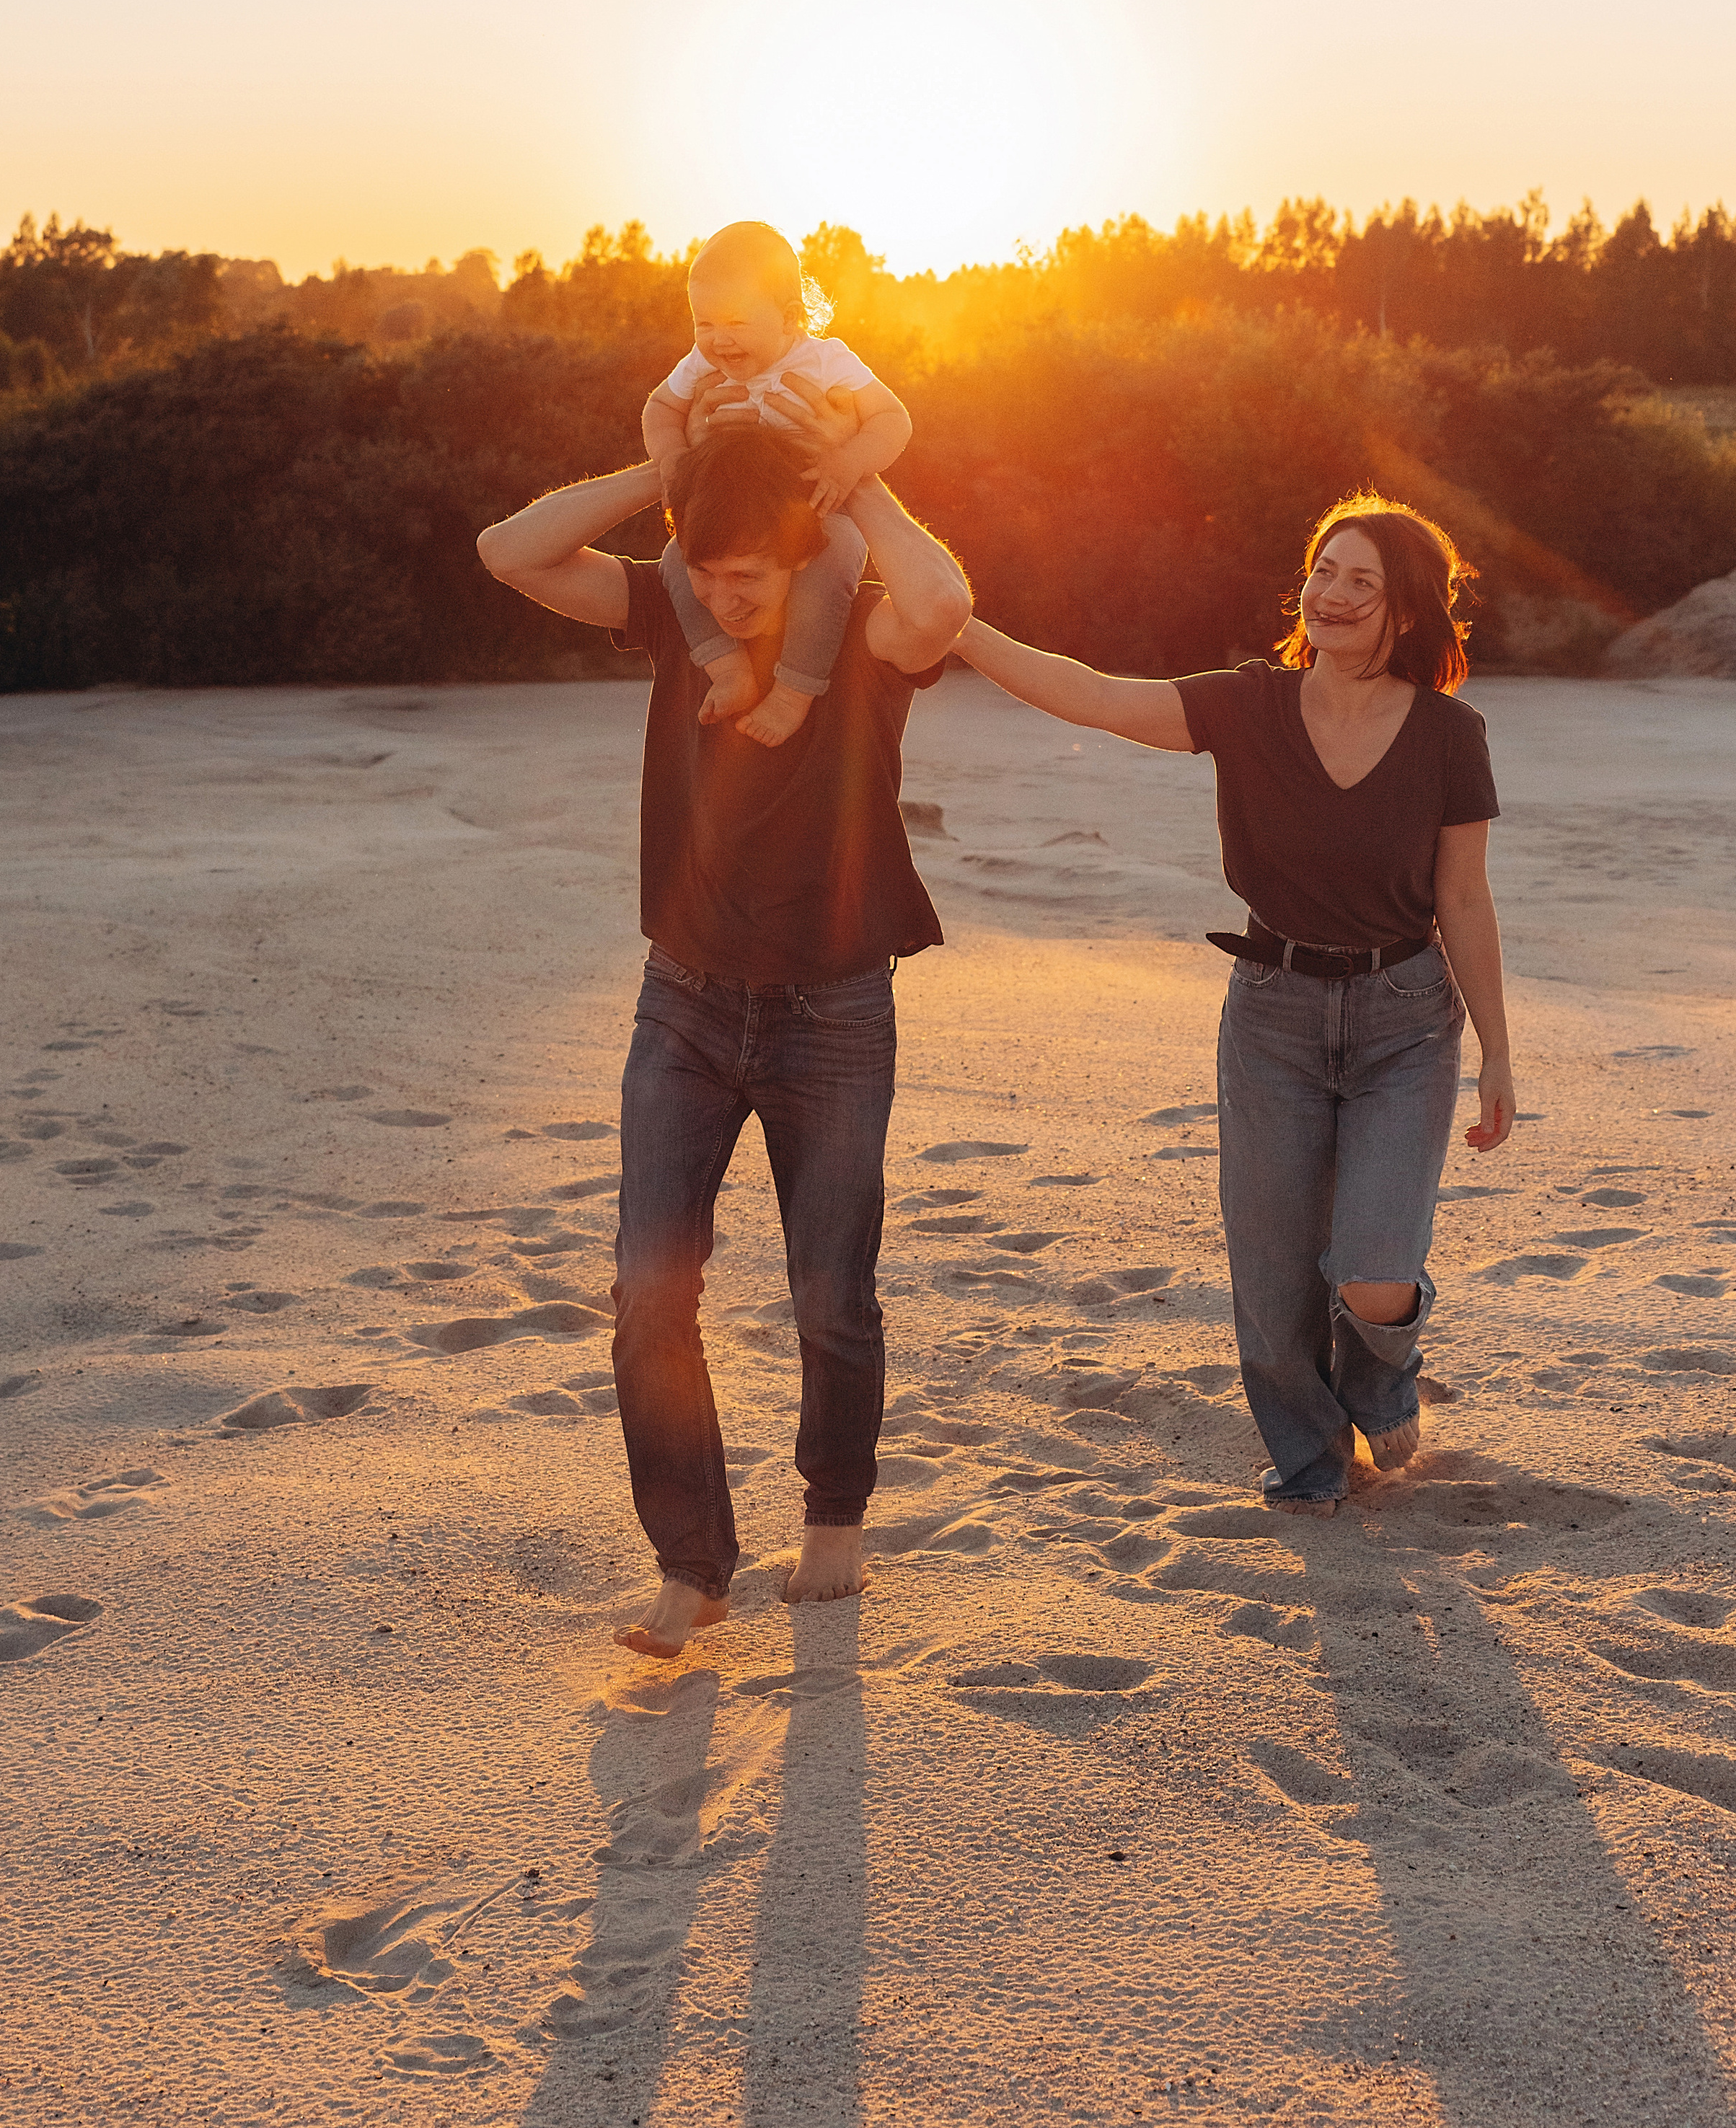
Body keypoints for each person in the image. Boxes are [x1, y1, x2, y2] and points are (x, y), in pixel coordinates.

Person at [476, 415, 971, 1652]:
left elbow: (945, 602)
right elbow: (509, 551)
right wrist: (667, 475)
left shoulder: (863, 626)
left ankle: (835, 1518)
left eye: (748, 575)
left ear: (803, 550)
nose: (723, 598)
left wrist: (858, 481)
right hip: (685, 1001)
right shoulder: (673, 609)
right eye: (704, 571)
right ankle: (692, 1566)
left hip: (834, 1011)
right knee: (650, 1293)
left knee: (830, 1294)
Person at [952, 493, 1514, 1516]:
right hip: (1274, 1014)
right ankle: (1309, 1460)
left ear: (1406, 610)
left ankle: (1378, 1380)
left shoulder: (1448, 734)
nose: (1331, 594)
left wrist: (1498, 1055)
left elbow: (1465, 899)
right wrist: (957, 626)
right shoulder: (1250, 706)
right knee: (1271, 1274)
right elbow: (1094, 696)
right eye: (1323, 570)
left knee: (1375, 1270)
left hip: (1404, 1018)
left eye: (1362, 581)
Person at [641, 220, 912, 751]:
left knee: (834, 558)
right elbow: (659, 409)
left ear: (789, 318)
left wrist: (847, 462)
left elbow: (893, 420)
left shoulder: (827, 361)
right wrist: (674, 462)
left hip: (815, 510)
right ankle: (727, 669)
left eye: (736, 323)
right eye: (704, 324)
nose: (718, 340)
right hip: (732, 517)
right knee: (677, 561)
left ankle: (794, 692)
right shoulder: (699, 364)